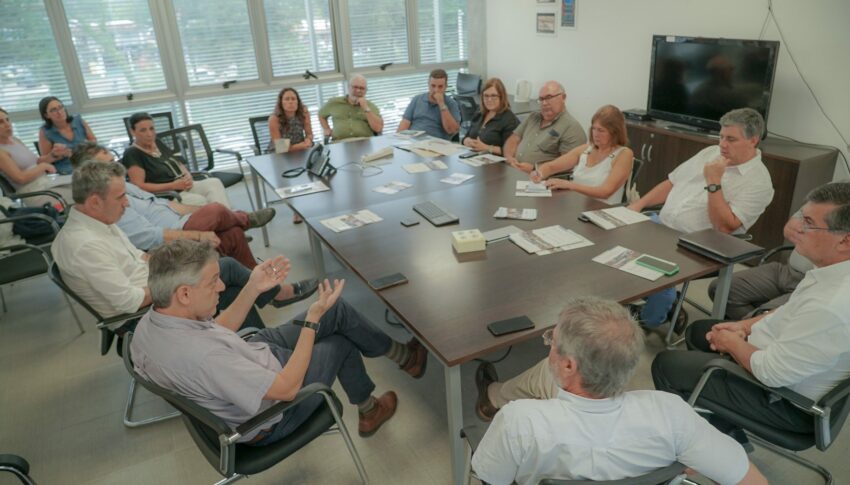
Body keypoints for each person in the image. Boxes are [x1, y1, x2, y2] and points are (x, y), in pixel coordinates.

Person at [131, 239, 430, 443]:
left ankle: (405, 358)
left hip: (252, 356)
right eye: (213, 282)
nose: (222, 286)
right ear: (184, 293)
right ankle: (369, 409)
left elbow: (218, 330)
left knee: (336, 310)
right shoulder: (203, 358)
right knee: (340, 341)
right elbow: (286, 389)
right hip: (273, 413)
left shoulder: (152, 322)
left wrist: (252, 287)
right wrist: (312, 321)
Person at [471, 297, 766, 485]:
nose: (550, 347)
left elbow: (490, 479)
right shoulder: (672, 414)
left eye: (552, 342)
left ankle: (492, 394)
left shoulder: (519, 421)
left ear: (569, 365)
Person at [652, 182, 850, 447]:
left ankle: (697, 448)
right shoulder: (832, 272)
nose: (798, 229)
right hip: (780, 361)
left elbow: (771, 372)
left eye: (810, 223)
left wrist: (733, 344)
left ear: (845, 240)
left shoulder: (832, 307)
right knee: (700, 331)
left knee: (666, 364)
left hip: (785, 403)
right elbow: (789, 310)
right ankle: (725, 427)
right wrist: (744, 327)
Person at [51, 161, 316, 331]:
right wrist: (179, 279)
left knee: (227, 274)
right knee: (227, 272)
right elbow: (128, 301)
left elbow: (141, 259)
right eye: (120, 197)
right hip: (143, 316)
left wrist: (183, 264)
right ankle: (274, 304)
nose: (127, 203)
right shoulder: (83, 245)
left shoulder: (101, 223)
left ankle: (258, 344)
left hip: (154, 288)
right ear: (95, 202)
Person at [626, 108, 774, 328]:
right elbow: (672, 182)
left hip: (696, 244)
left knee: (657, 273)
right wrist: (638, 205)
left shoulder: (759, 183)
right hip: (661, 224)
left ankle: (649, 320)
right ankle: (654, 302)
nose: (723, 144)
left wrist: (714, 182)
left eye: (731, 139)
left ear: (753, 140)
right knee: (613, 243)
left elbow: (723, 227)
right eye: (721, 136)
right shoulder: (710, 153)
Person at [71, 142, 279, 270]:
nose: (115, 166)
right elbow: (150, 238)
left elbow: (165, 203)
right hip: (171, 239)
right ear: (91, 171)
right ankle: (246, 219)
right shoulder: (111, 205)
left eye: (112, 160)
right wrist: (199, 231)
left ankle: (255, 280)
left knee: (231, 231)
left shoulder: (123, 185)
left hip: (180, 222)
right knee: (215, 210)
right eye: (106, 164)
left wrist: (199, 213)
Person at [707, 211, 814, 319]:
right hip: (787, 270)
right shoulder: (821, 200)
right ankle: (751, 327)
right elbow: (790, 230)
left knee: (763, 318)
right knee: (719, 289)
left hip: (812, 283)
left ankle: (752, 326)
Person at [529, 105, 634, 205]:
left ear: (615, 133)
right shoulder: (585, 150)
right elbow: (551, 166)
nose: (596, 134)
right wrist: (540, 173)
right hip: (578, 207)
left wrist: (569, 185)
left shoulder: (624, 154)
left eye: (601, 130)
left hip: (602, 211)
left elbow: (605, 192)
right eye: (594, 128)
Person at [122, 112, 231, 208]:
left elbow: (177, 162)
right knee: (202, 201)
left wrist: (187, 175)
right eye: (143, 130)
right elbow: (139, 186)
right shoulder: (132, 153)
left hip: (184, 186)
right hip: (168, 195)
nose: (149, 134)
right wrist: (173, 185)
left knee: (214, 183)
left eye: (152, 128)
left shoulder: (157, 142)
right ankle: (230, 222)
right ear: (132, 131)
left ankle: (229, 221)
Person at [503, 81, 586, 173]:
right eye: (541, 99)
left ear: (563, 97)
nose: (544, 103)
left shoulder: (571, 128)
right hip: (513, 170)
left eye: (549, 97)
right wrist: (509, 158)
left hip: (540, 180)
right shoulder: (532, 117)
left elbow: (567, 166)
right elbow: (513, 139)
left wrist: (535, 169)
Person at [0, 107, 72, 206]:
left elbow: (36, 162)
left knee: (84, 186)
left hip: (47, 184)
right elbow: (20, 178)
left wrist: (53, 155)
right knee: (84, 194)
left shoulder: (14, 140)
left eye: (7, 120)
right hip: (35, 194)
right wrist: (43, 166)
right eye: (1, 122)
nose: (7, 124)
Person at [37, 96, 96, 175]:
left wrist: (86, 147)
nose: (59, 112)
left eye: (60, 107)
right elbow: (43, 161)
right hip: (66, 170)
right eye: (54, 110)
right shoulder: (45, 131)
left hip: (87, 163)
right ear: (47, 115)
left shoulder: (78, 121)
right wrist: (55, 155)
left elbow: (94, 141)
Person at [396, 69, 460, 140]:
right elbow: (405, 122)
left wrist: (441, 104)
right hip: (413, 140)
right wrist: (398, 140)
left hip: (435, 143)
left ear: (445, 87)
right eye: (433, 86)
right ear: (428, 84)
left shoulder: (451, 103)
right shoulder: (417, 99)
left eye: (440, 86)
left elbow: (451, 131)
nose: (436, 90)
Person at [461, 78, 519, 156]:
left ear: (501, 97)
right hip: (474, 158)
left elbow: (513, 151)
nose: (489, 99)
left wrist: (487, 148)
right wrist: (466, 141)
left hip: (497, 165)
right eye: (486, 96)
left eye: (493, 96)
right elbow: (467, 136)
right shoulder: (480, 112)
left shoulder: (509, 120)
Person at [318, 75, 383, 141]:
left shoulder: (371, 106)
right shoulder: (334, 102)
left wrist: (365, 107)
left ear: (366, 91)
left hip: (364, 142)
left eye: (362, 88)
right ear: (348, 87)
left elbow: (378, 129)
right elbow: (321, 114)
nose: (358, 90)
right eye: (355, 87)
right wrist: (326, 128)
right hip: (339, 142)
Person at [268, 87, 313, 153]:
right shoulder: (274, 119)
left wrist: (308, 140)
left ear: (298, 101)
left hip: (301, 150)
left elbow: (309, 134)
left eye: (293, 99)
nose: (290, 102)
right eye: (287, 99)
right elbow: (281, 147)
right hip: (280, 153)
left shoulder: (304, 113)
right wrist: (299, 146)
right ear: (281, 103)